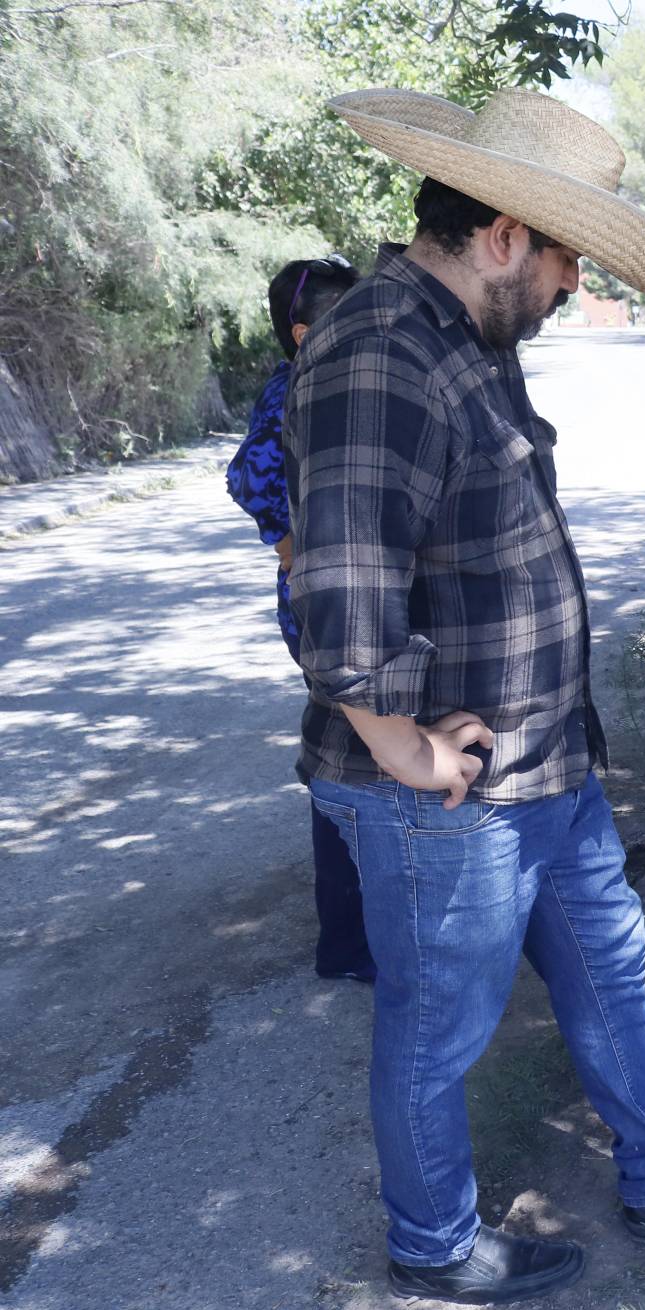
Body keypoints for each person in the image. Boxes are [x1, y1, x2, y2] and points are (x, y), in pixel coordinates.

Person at [287, 87, 645, 1307]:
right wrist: (402, 748)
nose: (572, 286)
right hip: (448, 795)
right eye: (567, 257)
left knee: (611, 972)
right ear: (504, 233)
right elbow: (343, 595)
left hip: (545, 769)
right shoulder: (382, 353)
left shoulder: (468, 337)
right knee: (436, 1025)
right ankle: (434, 1246)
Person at [225, 255, 373, 983]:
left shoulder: (336, 381)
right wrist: (292, 557)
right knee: (347, 757)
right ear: (305, 330)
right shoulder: (293, 389)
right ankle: (348, 944)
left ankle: (352, 940)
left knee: (352, 754)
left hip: (339, 596)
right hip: (320, 605)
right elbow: (248, 478)